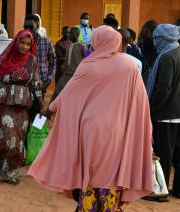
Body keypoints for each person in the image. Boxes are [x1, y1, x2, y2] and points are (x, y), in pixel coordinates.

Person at [28, 25, 153, 211]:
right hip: (118, 133)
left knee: (91, 176)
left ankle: (89, 206)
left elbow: (67, 93)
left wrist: (48, 111)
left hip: (90, 131)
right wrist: (146, 131)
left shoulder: (89, 65)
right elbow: (141, 103)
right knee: (112, 176)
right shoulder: (129, 66)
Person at [0, 30, 43, 185]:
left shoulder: (32, 60)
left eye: (27, 44)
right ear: (16, 42)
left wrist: (41, 102)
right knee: (9, 137)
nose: (24, 47)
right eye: (22, 43)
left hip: (23, 104)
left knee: (18, 140)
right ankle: (1, 166)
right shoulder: (4, 59)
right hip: (4, 102)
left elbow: (36, 83)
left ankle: (6, 169)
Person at [147, 24, 180, 200]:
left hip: (166, 114)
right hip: (177, 113)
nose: (154, 41)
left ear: (164, 39)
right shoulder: (177, 52)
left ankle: (161, 191)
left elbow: (163, 89)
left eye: (157, 38)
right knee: (178, 155)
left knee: (164, 154)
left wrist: (152, 109)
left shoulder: (167, 56)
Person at [45, 27, 86, 118]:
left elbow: (87, 57)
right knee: (57, 92)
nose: (69, 35)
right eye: (69, 33)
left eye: (71, 33)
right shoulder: (69, 45)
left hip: (75, 75)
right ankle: (48, 112)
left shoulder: (81, 46)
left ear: (77, 35)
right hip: (66, 73)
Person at [23, 14, 56, 98]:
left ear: (37, 27)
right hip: (23, 85)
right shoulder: (20, 42)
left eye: (31, 27)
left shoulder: (46, 42)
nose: (28, 30)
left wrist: (48, 81)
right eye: (25, 27)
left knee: (38, 109)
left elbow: (53, 63)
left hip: (41, 84)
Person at [139, 20, 158, 84]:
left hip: (149, 68)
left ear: (147, 30)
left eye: (144, 28)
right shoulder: (157, 39)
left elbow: (143, 55)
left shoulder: (147, 40)